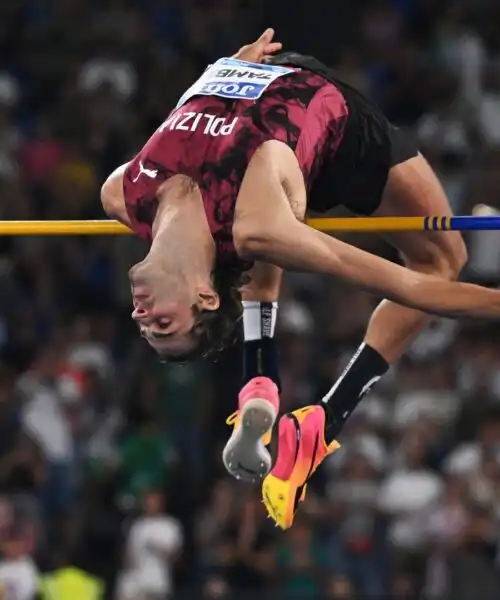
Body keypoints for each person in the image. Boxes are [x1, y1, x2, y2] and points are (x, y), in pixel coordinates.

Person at [101, 30, 500, 530]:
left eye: (146, 326)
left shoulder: (122, 193)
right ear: (203, 296)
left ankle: (261, 389)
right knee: (440, 261)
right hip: (338, 133)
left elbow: (192, 126)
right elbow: (413, 288)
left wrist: (221, 78)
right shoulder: (258, 226)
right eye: (163, 324)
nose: (141, 316)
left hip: (264, 82)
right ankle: (325, 419)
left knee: (246, 239)